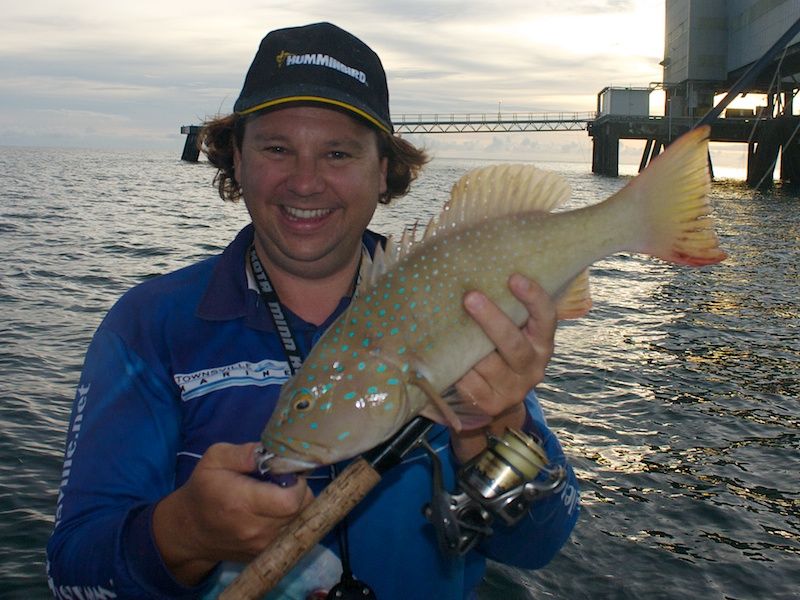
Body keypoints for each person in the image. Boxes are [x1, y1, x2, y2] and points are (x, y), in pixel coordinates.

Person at [47, 22, 579, 600]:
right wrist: (186, 534)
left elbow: (538, 546)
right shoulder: (150, 326)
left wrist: (500, 428)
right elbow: (72, 574)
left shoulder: (454, 299)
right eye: (277, 149)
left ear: (383, 169)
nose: (305, 182)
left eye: (338, 153)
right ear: (237, 160)